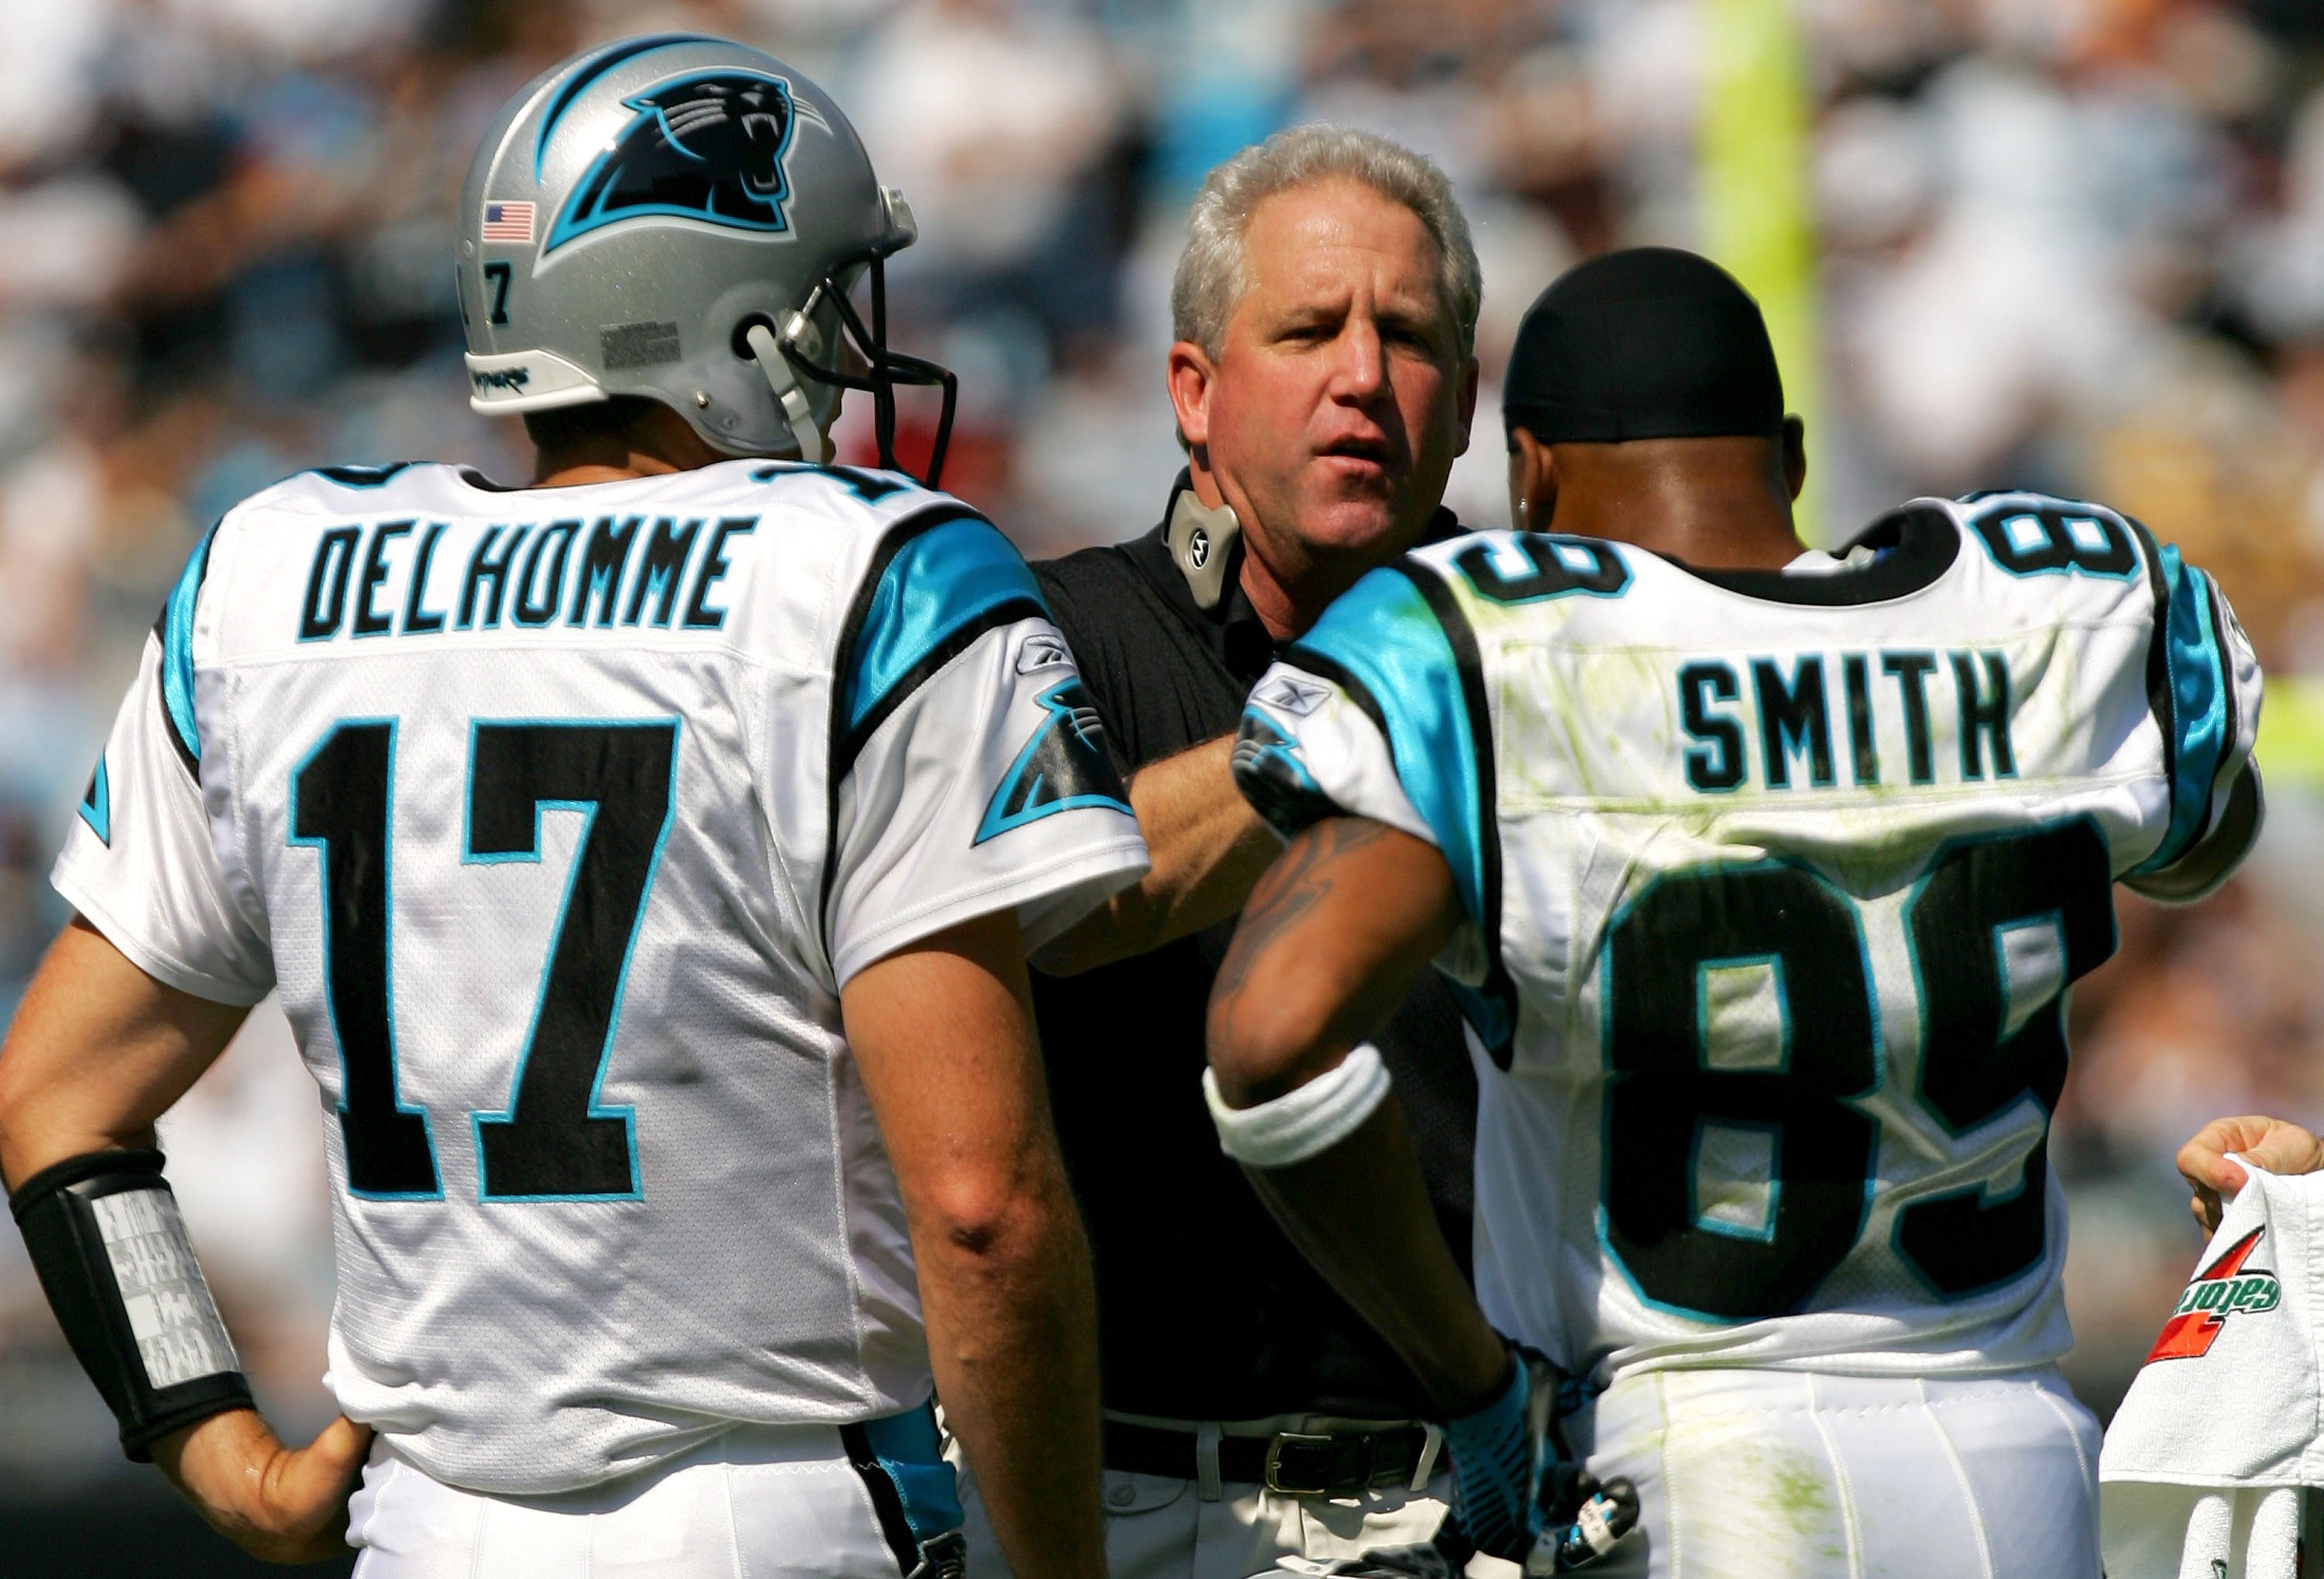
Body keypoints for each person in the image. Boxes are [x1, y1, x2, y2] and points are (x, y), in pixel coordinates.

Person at [0, 36, 1148, 1578]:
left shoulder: (270, 580)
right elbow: (982, 1205)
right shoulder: (863, 576)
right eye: (827, 300)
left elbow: (54, 1102)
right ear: (724, 317)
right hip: (781, 1504)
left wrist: (215, 1444)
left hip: (420, 1522)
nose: (855, 346)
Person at [1205, 246, 2265, 1577]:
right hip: (2020, 1449)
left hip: (1694, 1460)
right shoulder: (2060, 602)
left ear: (1527, 473)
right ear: (1794, 455)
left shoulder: (1514, 648)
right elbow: (2204, 845)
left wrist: (1471, 1384)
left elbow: (1270, 1040)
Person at [954, 126, 1485, 1577]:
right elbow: (1076, 898)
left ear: (1471, 400)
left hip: (1456, 1500)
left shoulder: (1550, 658)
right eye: (1310, 330)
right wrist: (1366, 711)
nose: (1364, 377)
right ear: (1195, 393)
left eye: (1411, 337)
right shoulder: (1040, 633)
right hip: (1098, 1508)